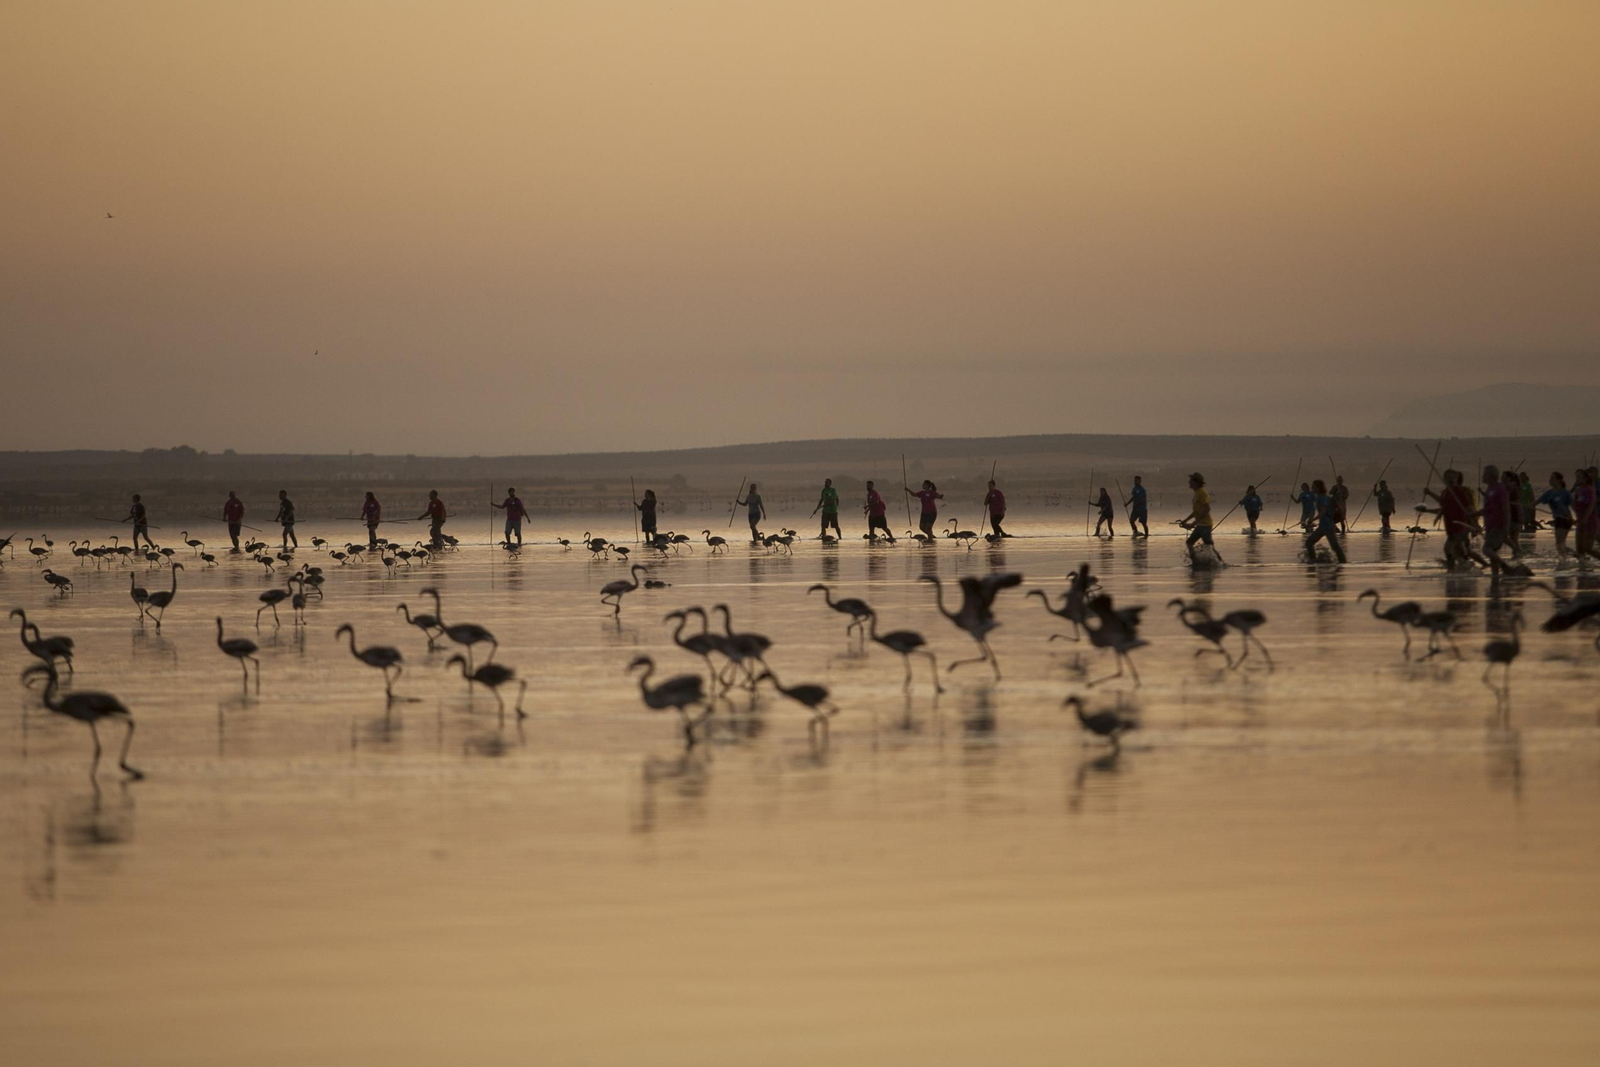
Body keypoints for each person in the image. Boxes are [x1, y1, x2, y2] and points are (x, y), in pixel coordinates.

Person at [1421, 469, 1486, 568]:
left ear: (1456, 479)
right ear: (1444, 479)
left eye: (1452, 478)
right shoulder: (1446, 492)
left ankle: (1452, 568)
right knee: (1464, 551)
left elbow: (1469, 508)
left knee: (1448, 548)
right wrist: (1428, 497)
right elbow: (1442, 505)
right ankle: (1475, 564)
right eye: (1448, 477)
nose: (1450, 480)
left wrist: (1475, 524)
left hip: (1459, 526)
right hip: (1450, 526)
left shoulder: (1460, 492)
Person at [1178, 472, 1222, 565]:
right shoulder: (1196, 493)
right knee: (1190, 543)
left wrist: (1195, 522)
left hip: (1205, 525)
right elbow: (1196, 511)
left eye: (1191, 481)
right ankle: (1196, 562)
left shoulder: (1202, 492)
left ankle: (1220, 563)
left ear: (1196, 482)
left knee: (1209, 546)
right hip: (1200, 525)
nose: (1189, 483)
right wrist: (1185, 521)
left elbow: (1207, 509)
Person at [1304, 479, 1347, 563]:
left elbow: (1323, 511)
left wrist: (1312, 520)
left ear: (1318, 488)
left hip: (1328, 526)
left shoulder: (1322, 498)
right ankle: (1313, 560)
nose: (1312, 488)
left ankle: (1343, 563)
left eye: (1313, 487)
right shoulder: (1319, 498)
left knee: (1335, 546)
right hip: (1322, 526)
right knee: (1309, 542)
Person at [1537, 471, 1573, 558]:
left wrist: (1579, 517)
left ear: (1558, 480)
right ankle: (1572, 557)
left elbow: (1574, 506)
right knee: (1560, 543)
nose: (1550, 480)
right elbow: (1538, 501)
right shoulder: (1549, 493)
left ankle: (1566, 558)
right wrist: (1528, 505)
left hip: (1565, 519)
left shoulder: (1564, 493)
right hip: (1557, 519)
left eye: (1552, 478)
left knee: (1560, 543)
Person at [1573, 468, 1600, 567]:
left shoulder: (1589, 490)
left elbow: (1591, 505)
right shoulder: (1578, 490)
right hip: (1580, 523)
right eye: (1576, 477)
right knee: (1579, 548)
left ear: (1585, 478)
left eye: (1579, 477)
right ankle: (1583, 569)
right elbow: (1576, 506)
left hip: (1590, 522)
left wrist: (1584, 518)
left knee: (1588, 548)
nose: (1577, 479)